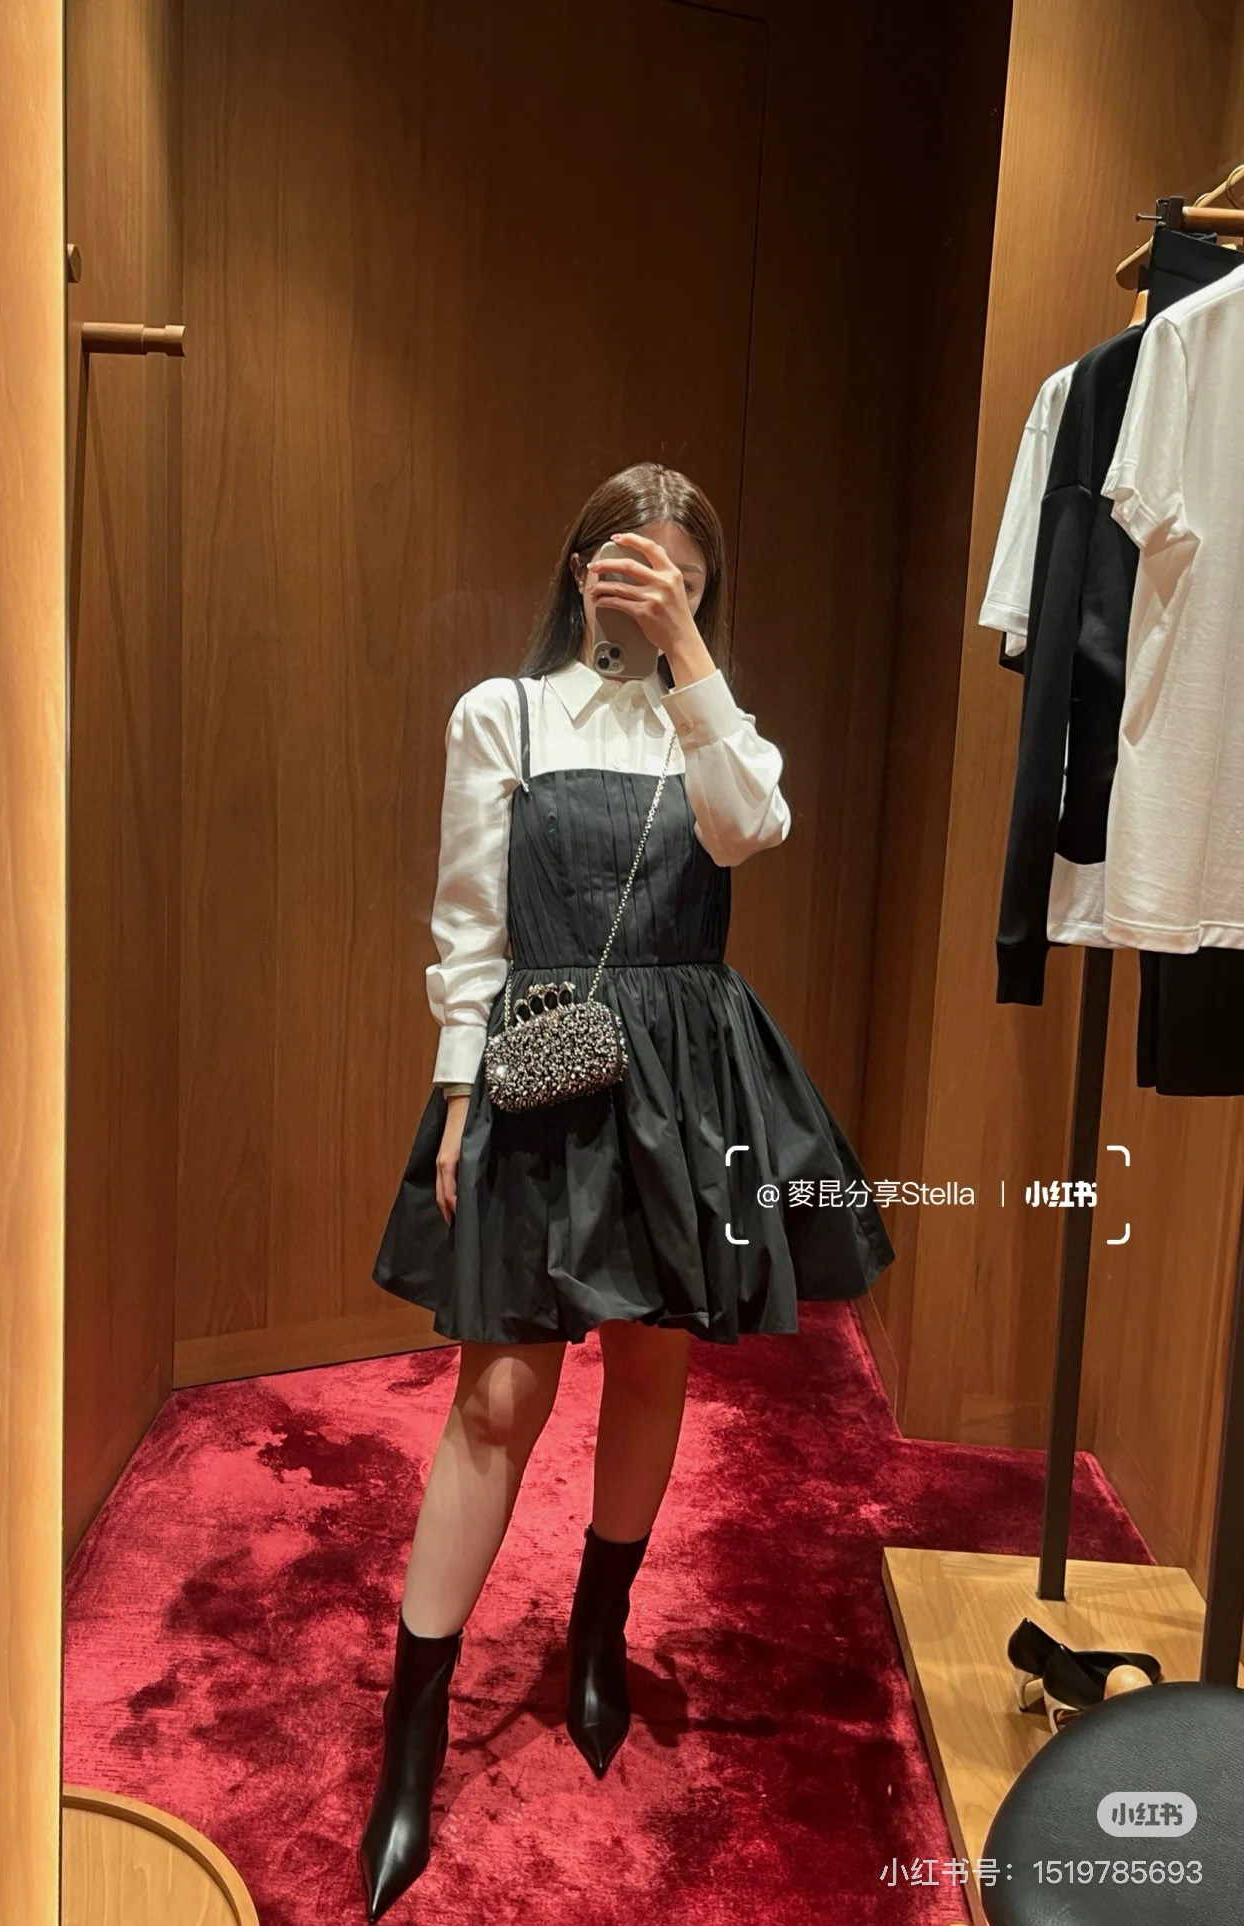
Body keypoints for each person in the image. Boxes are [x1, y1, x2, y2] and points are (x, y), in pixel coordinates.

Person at [359, 461, 895, 1919]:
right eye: (625, 563)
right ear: (576, 567)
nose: (648, 588)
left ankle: (597, 1639)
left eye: (681, 575)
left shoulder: (713, 724)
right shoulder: (502, 712)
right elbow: (468, 924)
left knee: (654, 1363)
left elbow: (749, 829)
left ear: (705, 592)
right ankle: (415, 1731)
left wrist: (690, 659)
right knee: (496, 1398)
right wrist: (459, 1101)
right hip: (541, 1066)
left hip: (685, 1080)